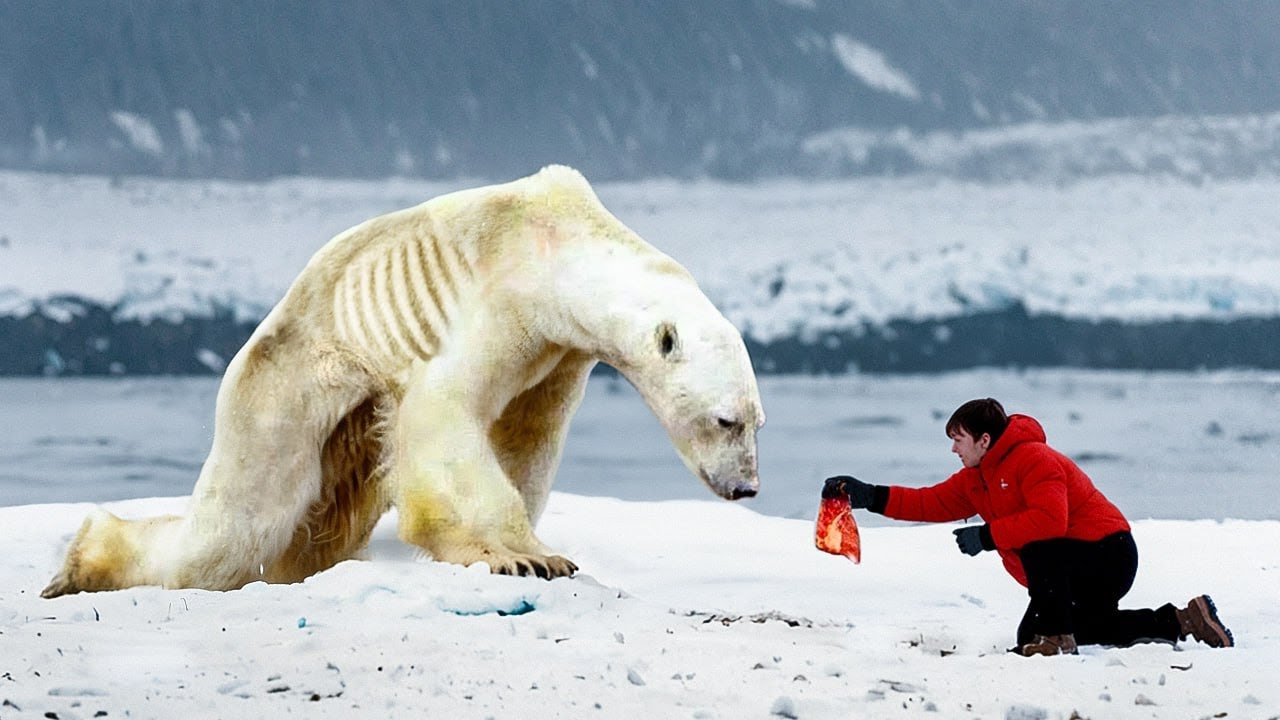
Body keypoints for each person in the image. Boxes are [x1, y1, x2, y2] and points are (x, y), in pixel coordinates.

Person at [822, 398, 1234, 657]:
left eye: (958, 439)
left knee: (1040, 551)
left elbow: (1049, 521)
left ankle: (1058, 638)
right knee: (1037, 636)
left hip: (1107, 553)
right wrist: (868, 495)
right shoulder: (975, 477)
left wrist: (986, 536)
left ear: (984, 440)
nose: (953, 448)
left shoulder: (1035, 459)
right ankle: (1183, 620)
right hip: (1070, 566)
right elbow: (929, 501)